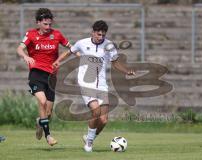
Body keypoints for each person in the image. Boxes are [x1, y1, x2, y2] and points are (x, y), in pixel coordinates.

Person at [53, 20, 135, 152]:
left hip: (101, 84)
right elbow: (70, 51)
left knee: (103, 120)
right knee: (95, 110)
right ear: (93, 32)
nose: (100, 37)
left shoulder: (109, 46)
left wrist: (126, 71)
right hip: (86, 82)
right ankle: (89, 145)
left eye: (103, 35)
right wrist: (57, 61)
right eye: (98, 34)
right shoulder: (82, 43)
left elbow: (115, 62)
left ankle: (89, 137)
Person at [16, 8, 71, 146]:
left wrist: (76, 55)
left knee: (48, 112)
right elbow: (19, 48)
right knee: (42, 101)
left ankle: (40, 122)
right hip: (36, 74)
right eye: (45, 24)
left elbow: (71, 47)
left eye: (50, 24)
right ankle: (48, 137)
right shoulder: (31, 34)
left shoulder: (57, 34)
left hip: (52, 76)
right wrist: (25, 56)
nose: (48, 27)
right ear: (38, 22)